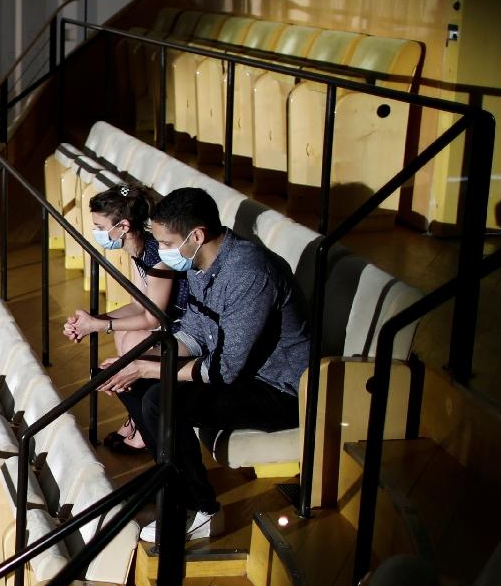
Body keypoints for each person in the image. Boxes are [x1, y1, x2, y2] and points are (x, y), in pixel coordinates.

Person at [99, 187, 312, 544]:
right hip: (240, 375)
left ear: (196, 236)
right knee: (133, 379)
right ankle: (172, 482)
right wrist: (143, 361)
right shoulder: (203, 262)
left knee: (158, 398)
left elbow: (224, 369)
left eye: (167, 243)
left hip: (277, 389)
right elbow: (197, 331)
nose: (163, 253)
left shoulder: (249, 272)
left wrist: (154, 369)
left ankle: (203, 509)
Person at [61, 185, 180, 454]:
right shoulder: (137, 250)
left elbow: (152, 317)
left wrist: (99, 325)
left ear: (123, 226)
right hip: (162, 322)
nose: (97, 232)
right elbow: (138, 303)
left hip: (183, 329)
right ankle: (137, 416)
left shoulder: (158, 256)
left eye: (100, 226)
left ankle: (146, 427)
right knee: (121, 334)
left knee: (133, 338)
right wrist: (92, 321)